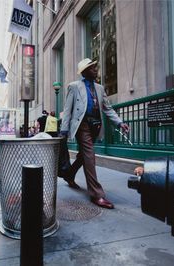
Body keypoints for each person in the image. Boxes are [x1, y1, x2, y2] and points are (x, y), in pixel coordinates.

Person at [60, 58, 129, 209]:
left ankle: (69, 175)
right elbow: (67, 110)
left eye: (95, 67)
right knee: (90, 155)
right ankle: (96, 194)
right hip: (82, 125)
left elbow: (108, 108)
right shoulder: (74, 87)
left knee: (84, 156)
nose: (96, 70)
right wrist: (64, 130)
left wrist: (119, 122)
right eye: (92, 68)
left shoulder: (100, 88)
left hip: (95, 126)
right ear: (84, 72)